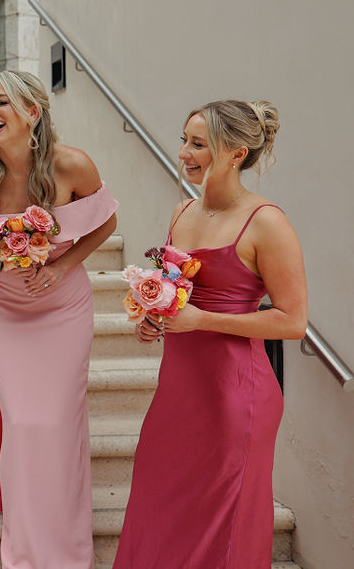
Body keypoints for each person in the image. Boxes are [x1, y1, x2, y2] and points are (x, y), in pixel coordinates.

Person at [114, 100, 307, 568]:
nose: (184, 152)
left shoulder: (267, 222)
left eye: (198, 144)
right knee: (160, 505)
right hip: (179, 390)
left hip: (235, 398)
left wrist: (203, 320)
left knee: (223, 523)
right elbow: (174, 294)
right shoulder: (182, 212)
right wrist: (151, 319)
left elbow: (292, 321)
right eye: (184, 139)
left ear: (236, 153)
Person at [0, 71, 118, 568]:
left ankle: (67, 552)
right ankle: (23, 553)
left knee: (59, 423)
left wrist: (64, 264)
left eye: (1, 102)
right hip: (7, 312)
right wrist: (2, 261)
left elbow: (107, 219)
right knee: (22, 423)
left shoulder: (71, 164)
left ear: (33, 112)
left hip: (64, 308)